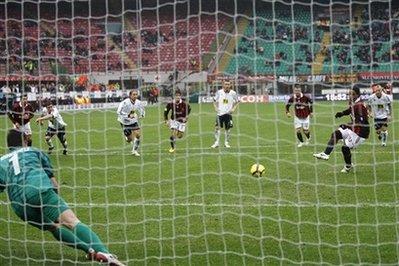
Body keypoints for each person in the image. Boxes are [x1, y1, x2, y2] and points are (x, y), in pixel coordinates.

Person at [0, 129, 125, 266]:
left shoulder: (1, 162)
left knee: (54, 227)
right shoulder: (33, 151)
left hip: (18, 205)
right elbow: (54, 184)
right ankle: (104, 253)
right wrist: (54, 200)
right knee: (72, 222)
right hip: (39, 190)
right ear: (24, 140)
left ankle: (89, 250)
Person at [313, 86, 370, 173]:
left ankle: (348, 166)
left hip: (361, 132)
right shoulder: (353, 102)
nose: (350, 96)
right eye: (349, 93)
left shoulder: (360, 106)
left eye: (353, 94)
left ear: (358, 95)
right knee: (336, 134)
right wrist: (342, 113)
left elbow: (360, 122)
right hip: (354, 128)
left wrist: (347, 125)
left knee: (345, 148)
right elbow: (350, 110)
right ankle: (326, 154)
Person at [117, 89, 145, 156]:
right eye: (134, 94)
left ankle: (134, 150)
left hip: (133, 120)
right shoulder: (124, 103)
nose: (135, 96)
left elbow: (142, 109)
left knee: (138, 135)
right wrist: (128, 115)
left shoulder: (138, 102)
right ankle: (127, 138)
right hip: (124, 121)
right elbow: (118, 112)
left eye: (136, 94)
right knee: (129, 139)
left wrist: (142, 114)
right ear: (130, 95)